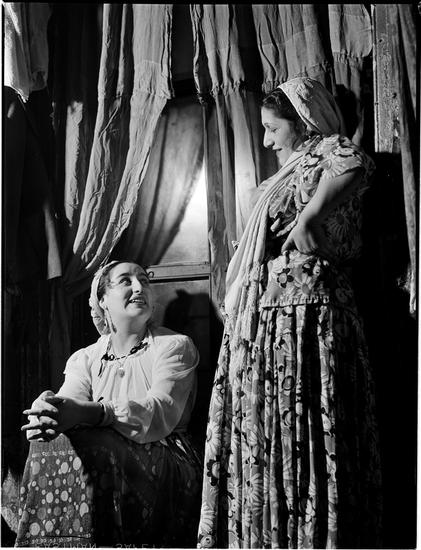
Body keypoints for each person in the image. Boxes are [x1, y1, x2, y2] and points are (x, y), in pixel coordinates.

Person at [197, 77, 382, 549]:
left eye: (272, 128)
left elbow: (356, 163)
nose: (266, 141)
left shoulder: (330, 151)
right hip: (266, 317)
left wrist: (309, 215)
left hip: (307, 312)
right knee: (269, 430)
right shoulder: (283, 174)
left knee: (309, 425)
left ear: (303, 122)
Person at [16, 260, 202, 548]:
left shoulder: (173, 346)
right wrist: (50, 410)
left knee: (99, 445)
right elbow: (71, 401)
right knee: (47, 444)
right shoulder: (86, 358)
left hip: (168, 457)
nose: (139, 287)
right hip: (104, 454)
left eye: (144, 280)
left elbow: (159, 411)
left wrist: (97, 412)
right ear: (102, 300)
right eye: (126, 281)